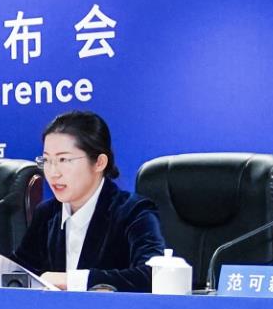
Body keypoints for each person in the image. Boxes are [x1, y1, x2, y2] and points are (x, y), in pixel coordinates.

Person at [11, 111, 167, 292]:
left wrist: (72, 280)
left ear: (99, 162)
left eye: (63, 160)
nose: (53, 173)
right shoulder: (47, 213)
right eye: (47, 160)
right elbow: (19, 271)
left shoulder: (134, 211)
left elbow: (153, 275)